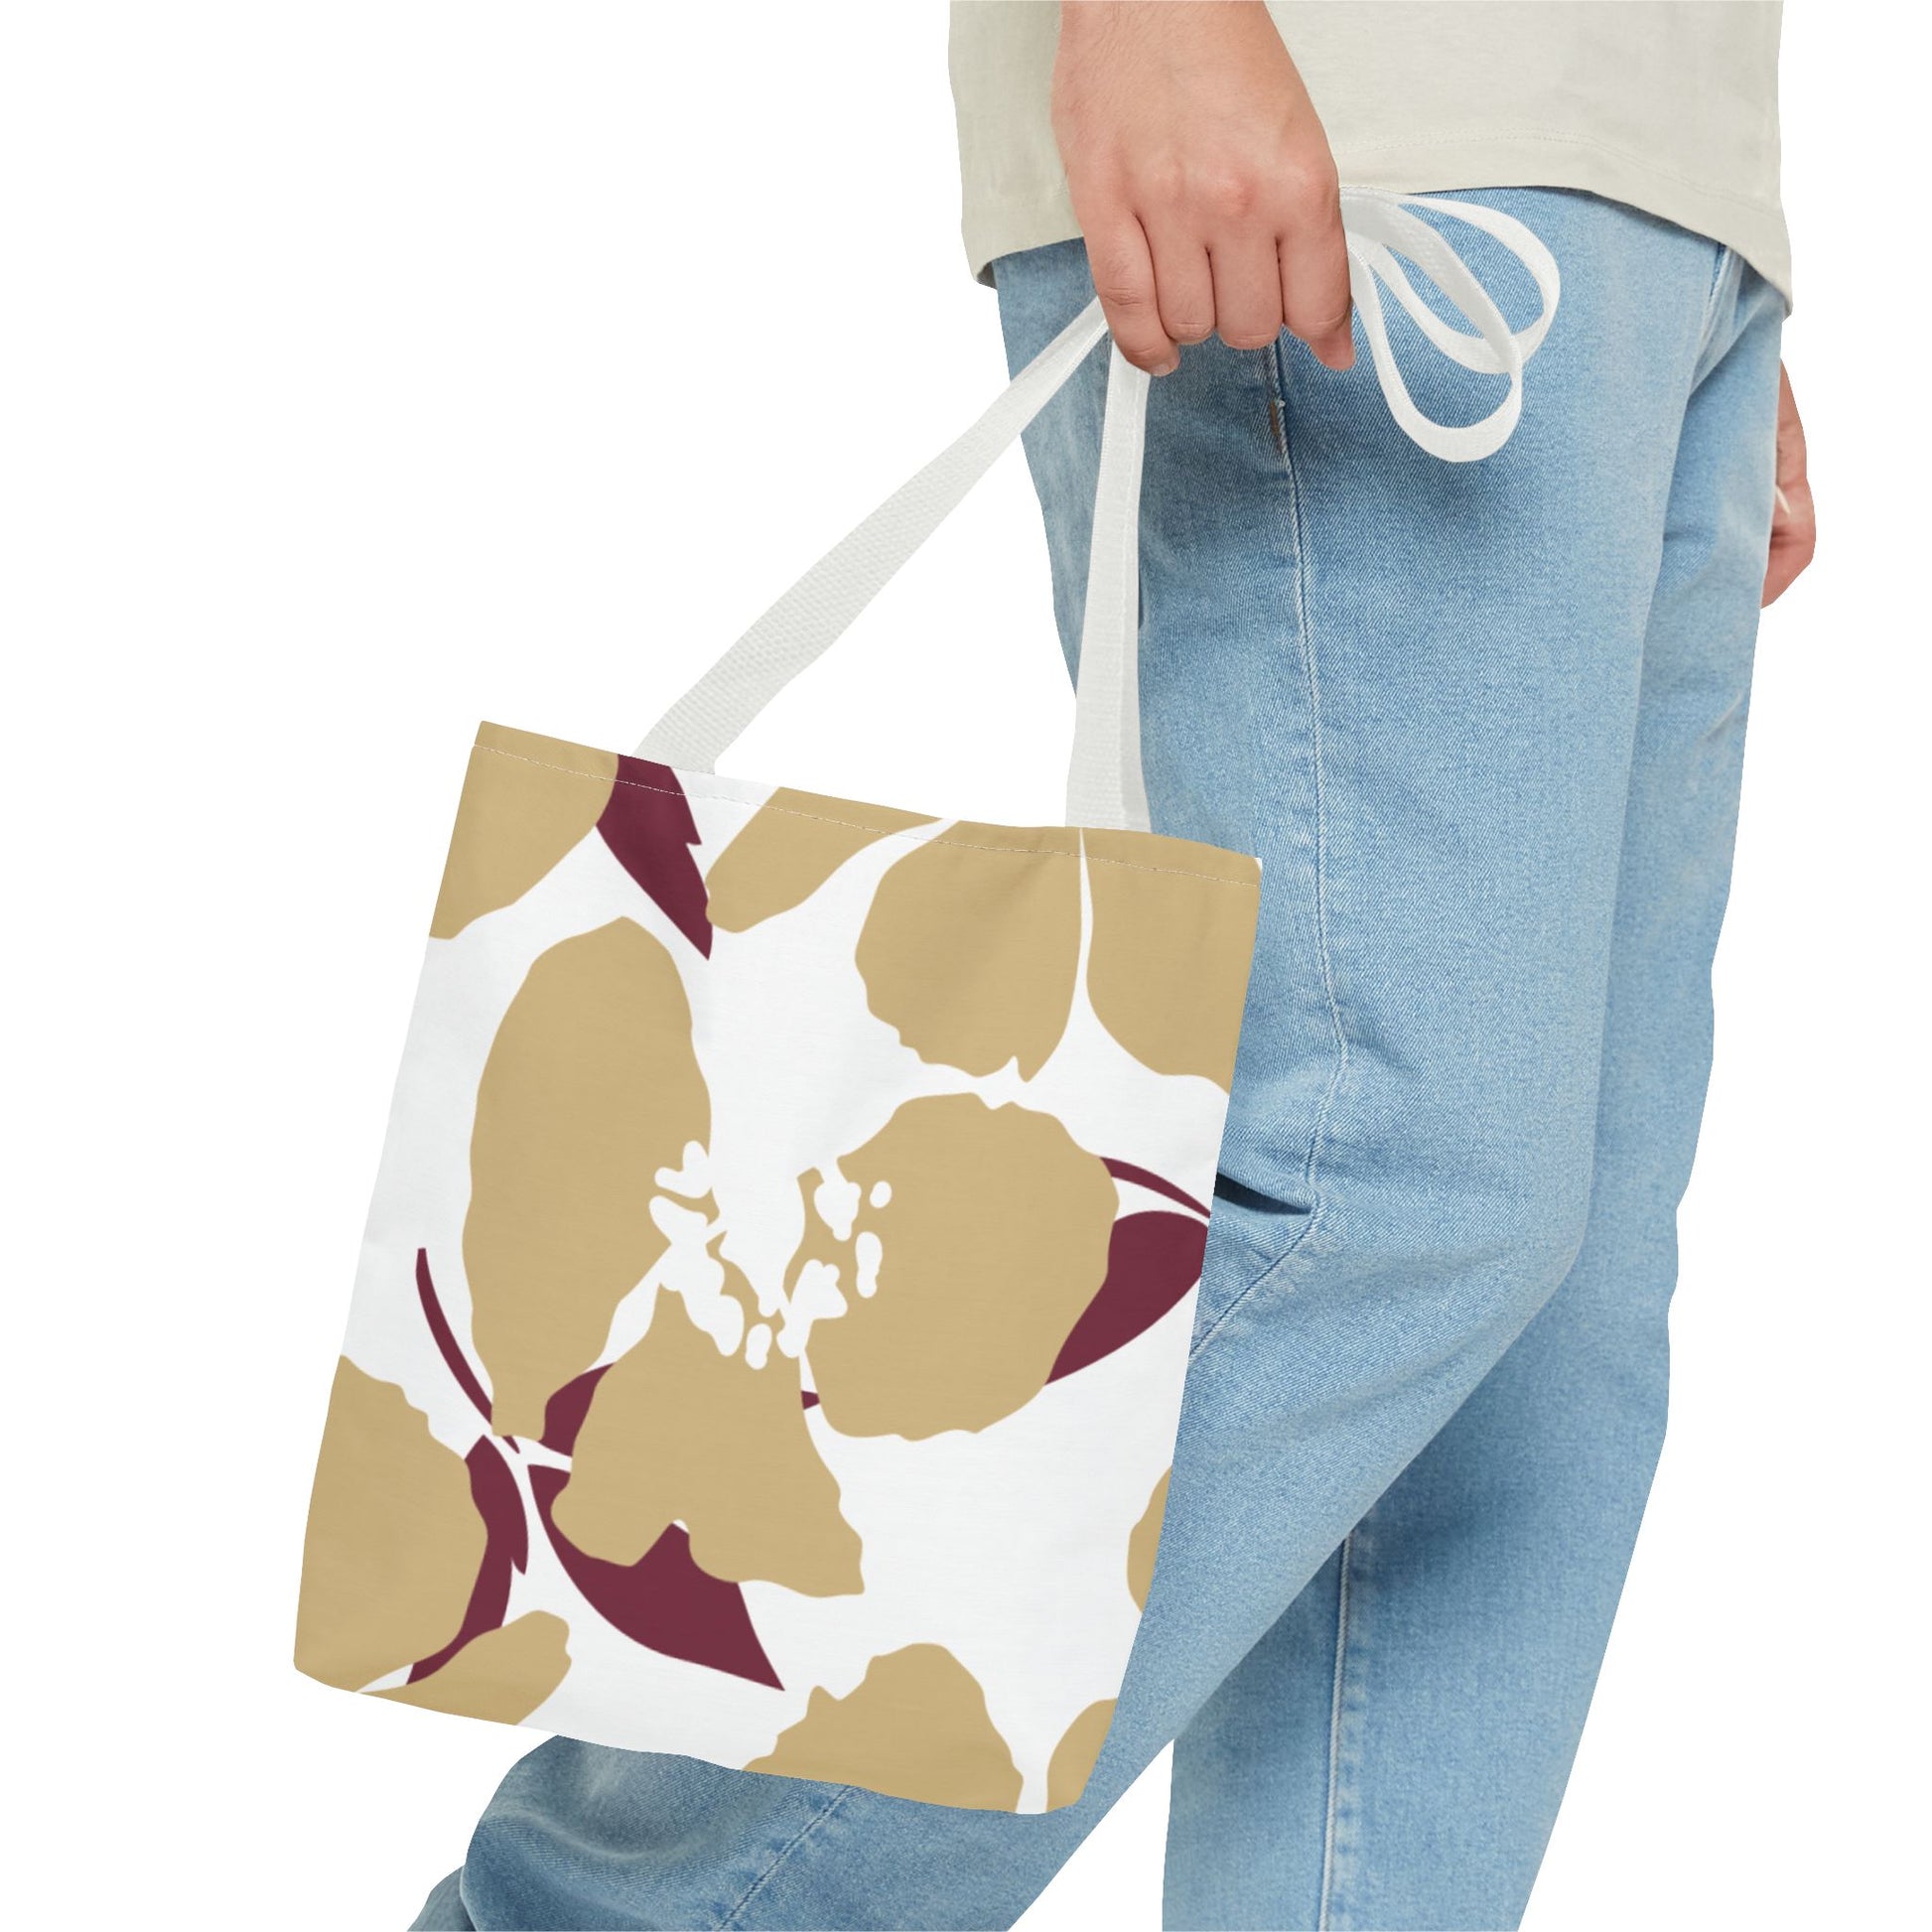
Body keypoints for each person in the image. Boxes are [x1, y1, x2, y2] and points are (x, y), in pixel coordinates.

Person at [413, 4, 1814, 1926]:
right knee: (1371, 1193)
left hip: (1640, 187)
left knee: (1531, 1356)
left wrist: (1696, 230)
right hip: (1367, 122)